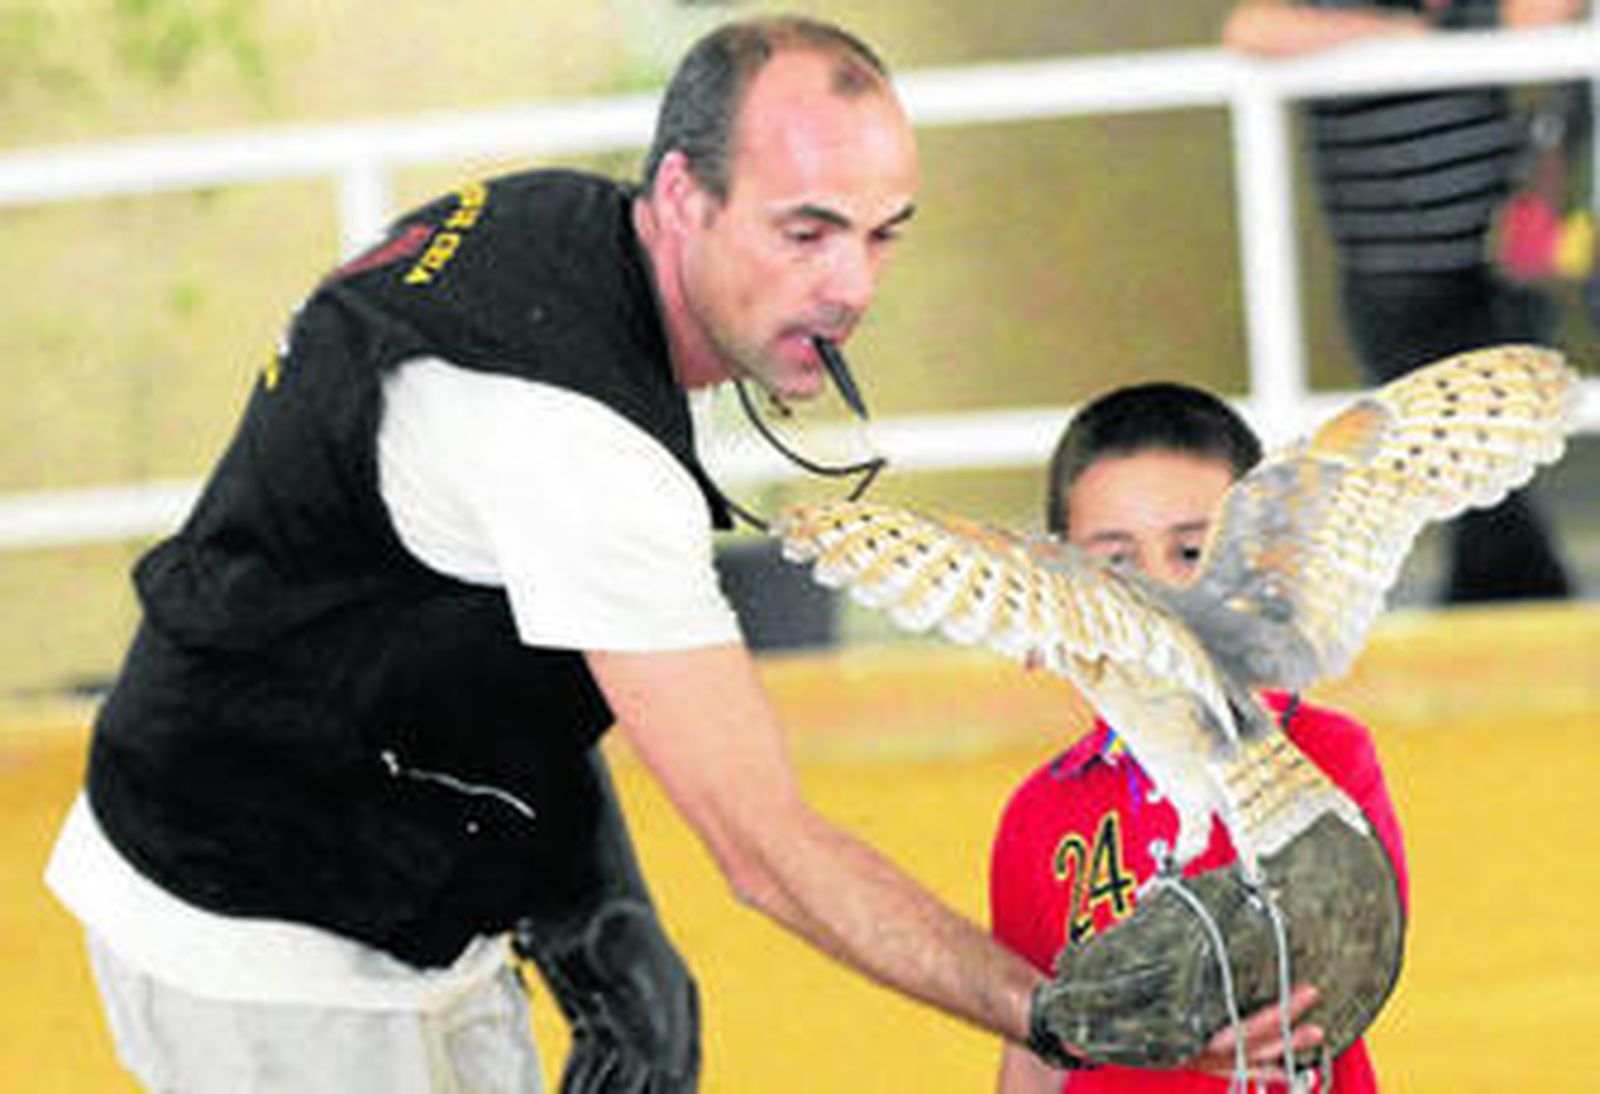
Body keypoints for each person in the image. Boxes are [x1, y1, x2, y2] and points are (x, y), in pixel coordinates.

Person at [44, 15, 1082, 1092]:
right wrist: (1057, 1015)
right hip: (254, 931)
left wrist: (595, 908)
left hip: (408, 881)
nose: (852, 285)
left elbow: (504, 617)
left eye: (881, 234)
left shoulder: (561, 227)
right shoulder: (576, 445)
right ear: (683, 196)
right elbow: (769, 849)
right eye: (806, 232)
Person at [991, 383, 1412, 1092]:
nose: (1158, 595)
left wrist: (1171, 1011)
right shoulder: (1038, 813)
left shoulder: (1323, 757)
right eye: (1115, 562)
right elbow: (1034, 1048)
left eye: (1191, 553)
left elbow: (1342, 963)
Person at [1222, 0, 1582, 603]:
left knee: (1488, 464)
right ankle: (1514, 601)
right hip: (1398, 285)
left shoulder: (1470, 13)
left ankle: (1505, 601)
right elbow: (1248, 31)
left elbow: (1550, 10)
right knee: (1465, 463)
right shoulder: (1330, 13)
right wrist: (1395, 37)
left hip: (1495, 275)